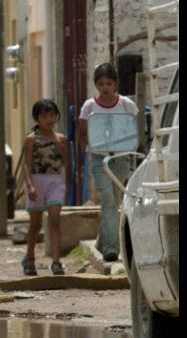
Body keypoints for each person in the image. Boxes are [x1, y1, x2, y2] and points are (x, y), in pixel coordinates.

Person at [78, 62, 139, 262]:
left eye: (109, 83)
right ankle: (112, 249)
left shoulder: (126, 104)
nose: (105, 87)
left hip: (120, 157)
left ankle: (101, 241)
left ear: (115, 84)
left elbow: (135, 127)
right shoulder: (89, 106)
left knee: (115, 200)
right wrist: (97, 146)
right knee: (107, 201)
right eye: (101, 83)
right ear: (96, 85)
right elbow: (83, 133)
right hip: (98, 158)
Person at [22, 99, 71, 276]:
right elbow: (26, 165)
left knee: (55, 220)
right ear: (37, 118)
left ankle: (56, 262)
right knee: (35, 224)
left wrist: (61, 149)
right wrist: (30, 186)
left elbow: (65, 163)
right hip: (36, 181)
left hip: (55, 181)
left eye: (52, 115)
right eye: (44, 116)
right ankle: (30, 258)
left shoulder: (61, 139)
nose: (49, 119)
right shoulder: (31, 139)